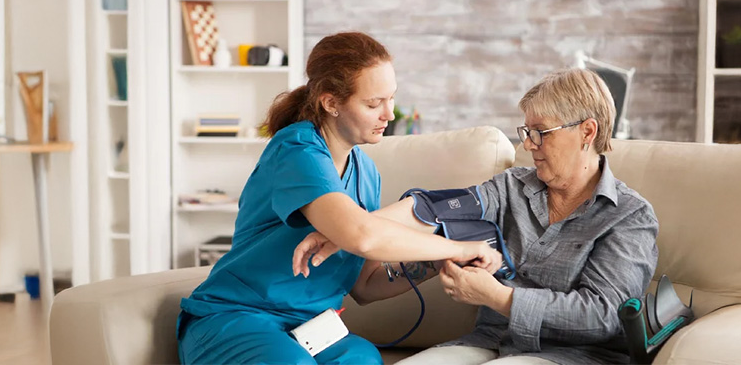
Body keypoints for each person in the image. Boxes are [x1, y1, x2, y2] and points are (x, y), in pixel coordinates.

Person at [177, 31, 502, 365]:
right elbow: (362, 236)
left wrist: (438, 263)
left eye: (391, 99)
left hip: (308, 330)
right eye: (373, 103)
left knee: (363, 359)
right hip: (238, 318)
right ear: (331, 103)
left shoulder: (366, 172)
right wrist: (456, 246)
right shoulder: (297, 151)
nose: (389, 114)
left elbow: (365, 286)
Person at [297, 68, 660, 364]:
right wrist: (350, 230)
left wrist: (499, 297)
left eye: (540, 133)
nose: (528, 145)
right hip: (489, 342)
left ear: (587, 131)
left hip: (574, 356)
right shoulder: (512, 187)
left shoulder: (629, 217)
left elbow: (603, 315)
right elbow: (431, 209)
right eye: (526, 132)